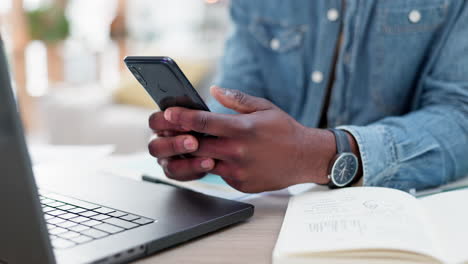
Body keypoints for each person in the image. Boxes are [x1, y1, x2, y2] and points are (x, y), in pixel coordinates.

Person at [148, 1, 468, 193]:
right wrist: (204, 139)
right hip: (276, 210)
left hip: (408, 209)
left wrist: (320, 155)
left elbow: (460, 115)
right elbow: (236, 91)